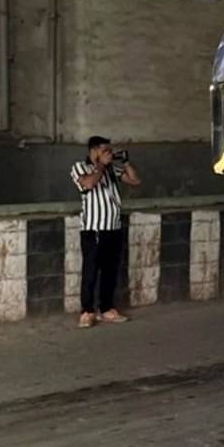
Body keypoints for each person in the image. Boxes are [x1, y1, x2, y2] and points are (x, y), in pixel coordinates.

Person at [71, 136, 141, 328]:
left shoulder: (112, 169)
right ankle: (87, 311)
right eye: (105, 150)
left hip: (114, 228)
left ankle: (107, 308)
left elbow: (135, 181)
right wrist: (101, 166)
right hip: (93, 229)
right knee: (91, 272)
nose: (109, 154)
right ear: (94, 151)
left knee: (110, 272)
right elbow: (89, 184)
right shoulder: (79, 167)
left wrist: (125, 162)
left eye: (110, 151)